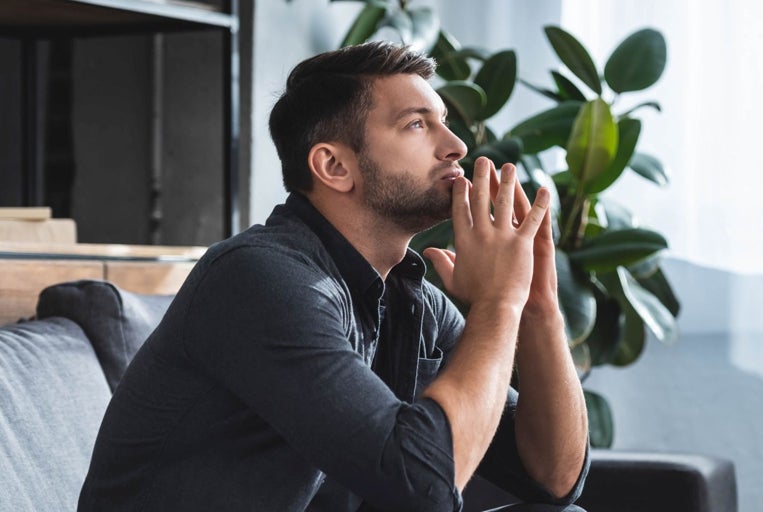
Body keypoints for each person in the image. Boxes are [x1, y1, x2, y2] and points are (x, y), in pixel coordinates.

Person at [77, 41, 589, 511]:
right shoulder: (257, 278)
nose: (455, 145)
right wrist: (498, 302)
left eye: (444, 121)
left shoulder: (412, 300)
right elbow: (423, 485)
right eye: (417, 124)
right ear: (334, 166)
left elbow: (554, 478)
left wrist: (536, 306)